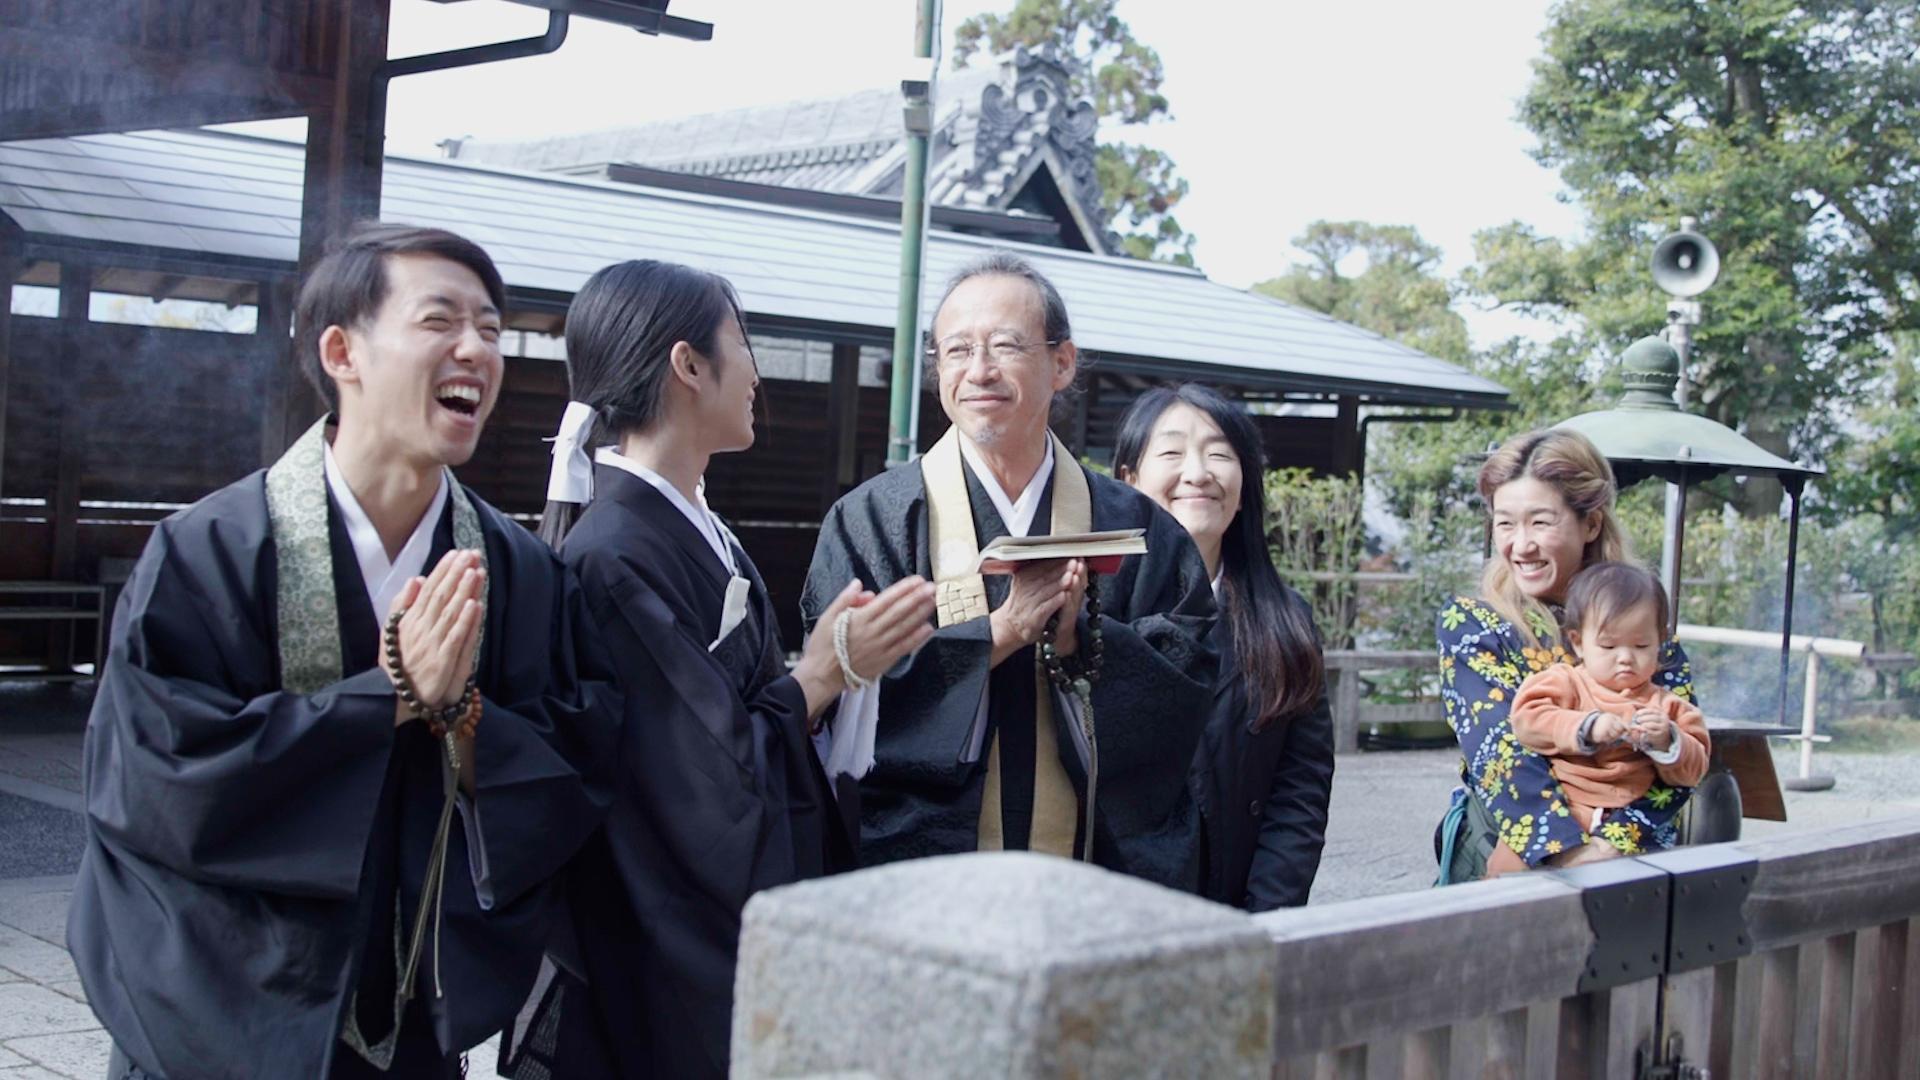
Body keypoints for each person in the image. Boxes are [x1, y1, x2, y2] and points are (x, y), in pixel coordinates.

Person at [69, 223, 622, 1079]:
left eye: (490, 328)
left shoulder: (519, 573)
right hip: (220, 1016)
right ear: (342, 352)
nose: (476, 349)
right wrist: (391, 694)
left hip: (411, 1017)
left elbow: (576, 767)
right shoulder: (211, 550)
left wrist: (462, 716)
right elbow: (155, 780)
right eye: (439, 320)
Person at [518, 260, 937, 1079]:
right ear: (688, 364)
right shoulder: (612, 554)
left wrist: (835, 676)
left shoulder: (696, 531)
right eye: (742, 344)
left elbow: (733, 727)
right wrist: (821, 677)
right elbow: (699, 790)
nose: (755, 373)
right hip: (663, 957)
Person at [801, 251, 1217, 890]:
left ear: (1063, 362)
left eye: (1004, 346)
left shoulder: (1138, 527)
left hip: (1092, 880)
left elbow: (1185, 687)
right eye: (957, 351)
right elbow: (842, 695)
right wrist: (998, 635)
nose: (979, 371)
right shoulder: (873, 520)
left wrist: (1082, 641)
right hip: (919, 880)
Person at [1434, 428, 1700, 882]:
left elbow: (1686, 743)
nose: (1521, 545)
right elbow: (1501, 751)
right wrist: (1570, 854)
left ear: (1591, 524)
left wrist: (1613, 843)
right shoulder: (1473, 622)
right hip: (1513, 850)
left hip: (1630, 859)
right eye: (1505, 523)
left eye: (1540, 522)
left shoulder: (1642, 620)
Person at [1113, 384, 1334, 910]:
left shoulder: (1286, 619)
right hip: (1111, 912)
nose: (1197, 473)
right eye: (1171, 452)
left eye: (1218, 454)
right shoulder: (1092, 610)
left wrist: (1266, 916)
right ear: (1129, 480)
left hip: (1236, 908)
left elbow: (1299, 788)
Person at [1510, 561, 1709, 854]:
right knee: (1507, 870)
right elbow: (1526, 719)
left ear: (1660, 643)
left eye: (1641, 646)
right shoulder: (1566, 682)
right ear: (1578, 643)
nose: (1625, 657)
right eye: (1608, 646)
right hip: (1560, 809)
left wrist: (1669, 740)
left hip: (1627, 823)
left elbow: (1696, 768)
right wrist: (1586, 726)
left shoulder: (1667, 705)